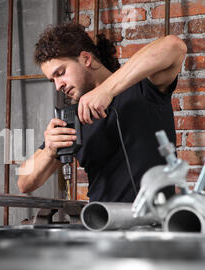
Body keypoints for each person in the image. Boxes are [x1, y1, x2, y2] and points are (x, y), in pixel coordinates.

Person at [17, 23, 187, 202]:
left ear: (86, 59)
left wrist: (106, 90)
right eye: (53, 80)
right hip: (99, 224)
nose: (58, 85)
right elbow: (24, 183)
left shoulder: (144, 88)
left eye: (61, 73)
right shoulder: (73, 118)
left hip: (154, 223)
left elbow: (174, 46)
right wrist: (50, 150)